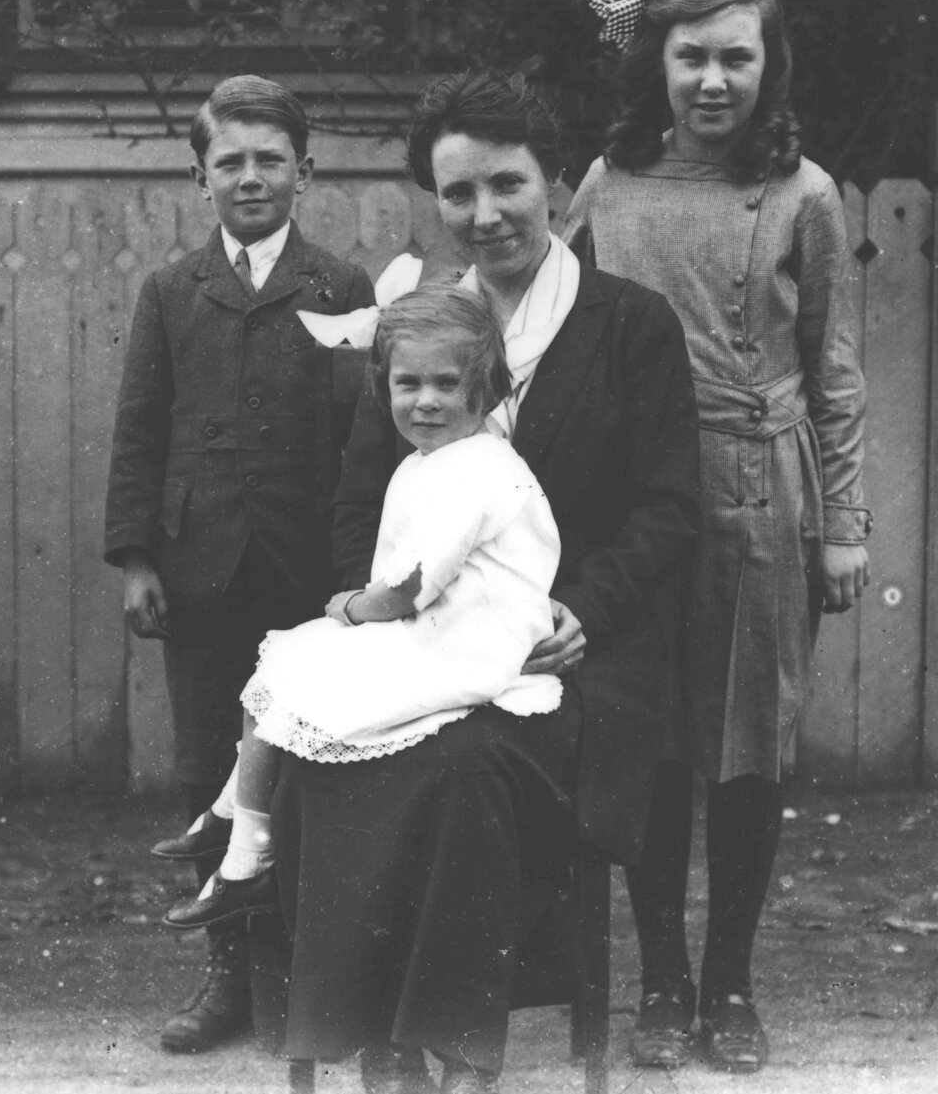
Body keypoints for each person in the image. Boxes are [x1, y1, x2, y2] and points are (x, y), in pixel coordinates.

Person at [254, 69, 700, 1094]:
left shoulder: (628, 325)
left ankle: (457, 1049)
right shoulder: (417, 330)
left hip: (571, 663)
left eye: (507, 183)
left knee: (457, 767)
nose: (484, 213)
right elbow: (355, 513)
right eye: (458, 193)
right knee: (329, 756)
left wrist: (582, 608)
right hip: (422, 650)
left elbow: (669, 506)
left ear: (557, 185)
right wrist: (371, 622)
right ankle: (368, 1036)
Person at [565, 0, 873, 1074]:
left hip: (759, 492)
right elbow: (562, 332)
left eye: (735, 59)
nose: (710, 82)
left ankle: (731, 987)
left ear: (768, 66)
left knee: (746, 748)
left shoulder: (802, 195)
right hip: (637, 501)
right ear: (656, 60)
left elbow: (834, 368)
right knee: (647, 744)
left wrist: (845, 525)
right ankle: (661, 983)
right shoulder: (610, 183)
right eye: (689, 56)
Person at [103, 74, 374, 1054]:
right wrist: (137, 557)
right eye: (231, 161)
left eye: (269, 159)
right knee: (209, 766)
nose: (250, 177)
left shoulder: (341, 288)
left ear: (303, 171)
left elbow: (362, 438)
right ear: (200, 174)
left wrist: (358, 573)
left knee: (309, 763)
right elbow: (140, 431)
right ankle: (226, 970)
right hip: (202, 569)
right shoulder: (172, 292)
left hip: (308, 576)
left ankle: (301, 966)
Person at [155, 283, 564, 932]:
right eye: (408, 383)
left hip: (471, 644)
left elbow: (405, 589)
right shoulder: (429, 462)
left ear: (483, 390)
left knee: (291, 673)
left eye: (446, 383)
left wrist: (346, 608)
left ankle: (242, 853)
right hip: (435, 627)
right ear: (385, 387)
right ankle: (235, 827)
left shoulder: (478, 470)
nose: (425, 400)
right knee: (279, 670)